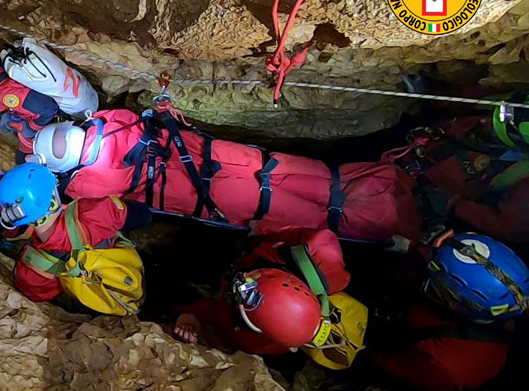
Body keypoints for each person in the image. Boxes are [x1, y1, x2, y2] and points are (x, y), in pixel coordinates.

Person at [30, 108, 422, 242]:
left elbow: (87, 199)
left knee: (318, 217)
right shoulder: (114, 121)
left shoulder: (88, 184)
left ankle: (391, 224)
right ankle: (390, 182)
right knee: (321, 178)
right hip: (228, 156)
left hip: (214, 197)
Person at [367, 233, 528, 391]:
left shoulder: (446, 365)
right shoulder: (510, 300)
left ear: (455, 303)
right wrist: (414, 248)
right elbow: (460, 264)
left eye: (438, 286)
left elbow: (388, 364)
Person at [173, 228, 351, 355]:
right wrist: (258, 229)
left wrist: (197, 324)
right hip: (254, 246)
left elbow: (225, 326)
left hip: (240, 267)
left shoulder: (265, 339)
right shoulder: (317, 252)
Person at [0, 163, 151, 307]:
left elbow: (50, 301)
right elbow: (143, 216)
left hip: (105, 304)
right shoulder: (93, 212)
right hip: (133, 272)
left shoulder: (31, 271)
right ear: (52, 199)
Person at [391, 95, 529, 242]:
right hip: (422, 140)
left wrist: (455, 204)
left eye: (496, 130)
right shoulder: (513, 108)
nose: (485, 120)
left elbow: (507, 227)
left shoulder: (522, 191)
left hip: (430, 185)